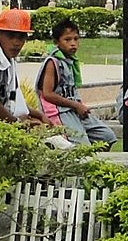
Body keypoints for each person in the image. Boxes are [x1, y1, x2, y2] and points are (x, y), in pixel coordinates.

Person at [35, 19, 117, 148]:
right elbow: (47, 94)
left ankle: (93, 164)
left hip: (74, 110)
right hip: (59, 112)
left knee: (106, 137)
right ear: (57, 42)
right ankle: (54, 144)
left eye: (76, 39)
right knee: (80, 146)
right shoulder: (53, 62)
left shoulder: (71, 62)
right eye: (67, 40)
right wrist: (75, 105)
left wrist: (78, 106)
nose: (73, 44)